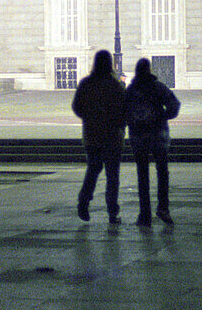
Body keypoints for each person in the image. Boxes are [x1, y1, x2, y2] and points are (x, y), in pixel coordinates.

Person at [124, 58, 180, 227]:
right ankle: (163, 208)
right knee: (162, 172)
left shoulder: (131, 90)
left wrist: (132, 122)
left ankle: (145, 214)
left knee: (142, 175)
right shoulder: (158, 87)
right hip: (158, 135)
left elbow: (123, 111)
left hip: (138, 137)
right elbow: (174, 104)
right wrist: (163, 117)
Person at [72, 50, 126, 224]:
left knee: (93, 170)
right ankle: (112, 211)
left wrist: (89, 118)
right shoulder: (114, 84)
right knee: (112, 176)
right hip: (112, 137)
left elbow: (76, 106)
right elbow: (123, 110)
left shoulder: (86, 83)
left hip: (92, 135)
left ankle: (84, 201)